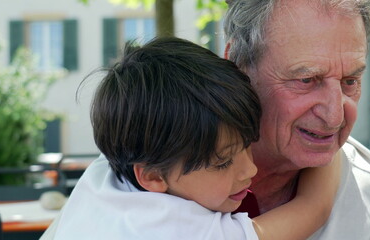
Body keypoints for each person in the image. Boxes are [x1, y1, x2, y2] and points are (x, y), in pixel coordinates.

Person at [41, 37, 341, 240]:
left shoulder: (103, 173)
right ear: (152, 176)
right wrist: (328, 134)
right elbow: (314, 208)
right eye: (223, 162)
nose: (249, 170)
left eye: (247, 144)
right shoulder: (185, 232)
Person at [224, 0, 370, 239]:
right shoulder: (167, 167)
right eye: (307, 80)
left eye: (350, 81)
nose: (335, 117)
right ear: (237, 67)